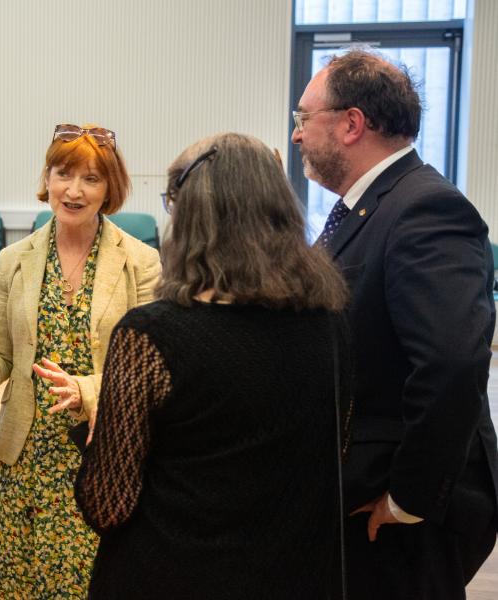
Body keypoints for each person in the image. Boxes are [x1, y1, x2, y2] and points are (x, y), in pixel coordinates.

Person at [74, 132, 350, 599]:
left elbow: (106, 506)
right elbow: (335, 454)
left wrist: (100, 432)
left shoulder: (151, 336)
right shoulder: (330, 323)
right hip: (294, 574)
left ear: (192, 215)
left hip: (172, 575)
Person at [292, 48, 498, 599]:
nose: (296, 136)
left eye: (303, 118)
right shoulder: (372, 206)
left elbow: (452, 364)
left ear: (352, 124)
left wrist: (407, 498)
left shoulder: (425, 210)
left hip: (406, 508)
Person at [0, 124, 161, 597]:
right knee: (20, 585)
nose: (73, 190)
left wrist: (85, 391)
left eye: (91, 179)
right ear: (47, 178)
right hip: (25, 460)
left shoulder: (140, 262)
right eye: (62, 174)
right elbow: (1, 358)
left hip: (99, 457)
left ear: (109, 187)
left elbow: (150, 370)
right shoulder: (14, 260)